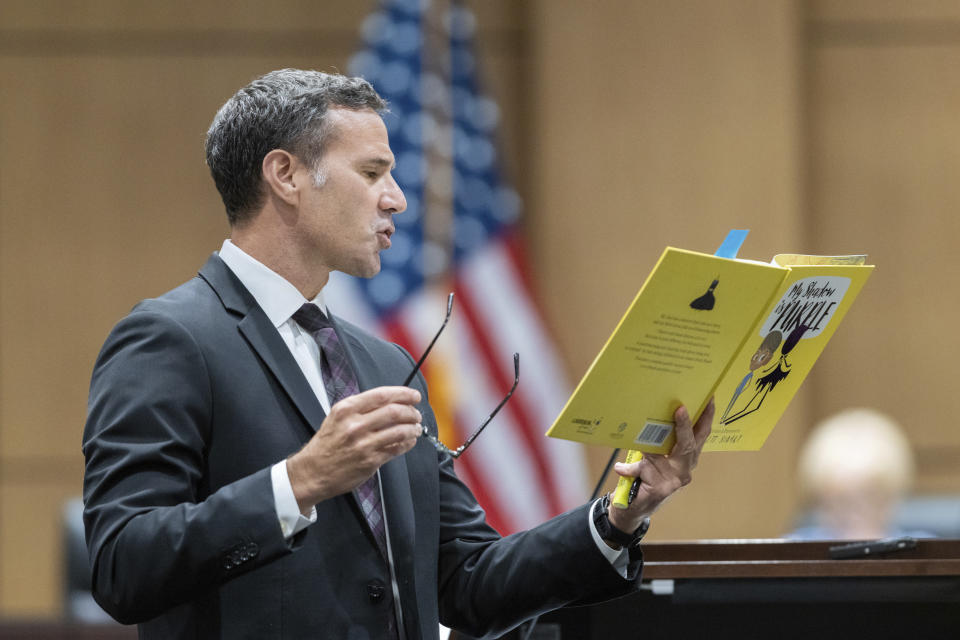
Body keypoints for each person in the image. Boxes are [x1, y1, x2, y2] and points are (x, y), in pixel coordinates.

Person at [82, 69, 714, 639]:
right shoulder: (169, 339)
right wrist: (298, 483)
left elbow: (467, 582)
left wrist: (619, 515)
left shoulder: (383, 365)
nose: (397, 199)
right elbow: (122, 566)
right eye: (372, 172)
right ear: (286, 176)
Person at [786, 407, 922, 540]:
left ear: (893, 498)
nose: (856, 517)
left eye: (871, 500)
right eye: (841, 503)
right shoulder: (793, 549)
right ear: (820, 501)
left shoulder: (922, 550)